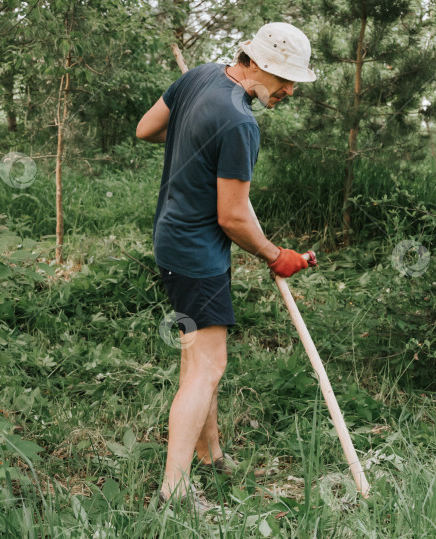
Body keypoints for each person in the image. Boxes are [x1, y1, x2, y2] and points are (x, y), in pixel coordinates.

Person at [136, 22, 317, 513]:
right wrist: (276, 255)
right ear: (253, 62)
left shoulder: (197, 78)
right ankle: (173, 492)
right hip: (197, 255)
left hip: (171, 239)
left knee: (196, 357)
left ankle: (211, 453)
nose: (289, 90)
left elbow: (146, 129)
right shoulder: (239, 122)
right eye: (283, 77)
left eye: (294, 79)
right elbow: (233, 216)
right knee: (208, 366)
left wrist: (194, 143)